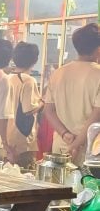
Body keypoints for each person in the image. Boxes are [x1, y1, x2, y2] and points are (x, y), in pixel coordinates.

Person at [43, 22, 100, 165]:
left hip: (61, 147)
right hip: (90, 150)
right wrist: (76, 145)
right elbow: (96, 116)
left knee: (60, 185)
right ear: (98, 49)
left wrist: (66, 135)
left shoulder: (58, 73)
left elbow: (48, 111)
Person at [7, 42, 43, 169]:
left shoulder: (8, 78)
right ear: (34, 60)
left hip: (7, 135)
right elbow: (29, 110)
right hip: (22, 139)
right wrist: (41, 103)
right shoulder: (28, 80)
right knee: (25, 172)